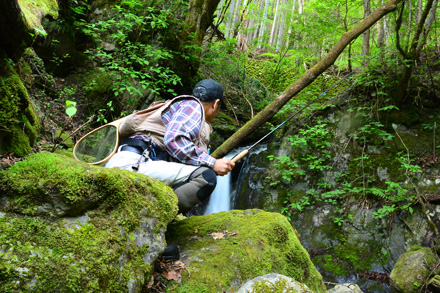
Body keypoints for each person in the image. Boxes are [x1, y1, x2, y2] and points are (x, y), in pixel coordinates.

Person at [105, 79, 235, 214]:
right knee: (206, 177)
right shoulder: (193, 106)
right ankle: (155, 216)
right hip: (135, 165)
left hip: (127, 160)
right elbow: (174, 139)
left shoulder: (176, 107)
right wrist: (213, 163)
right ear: (216, 104)